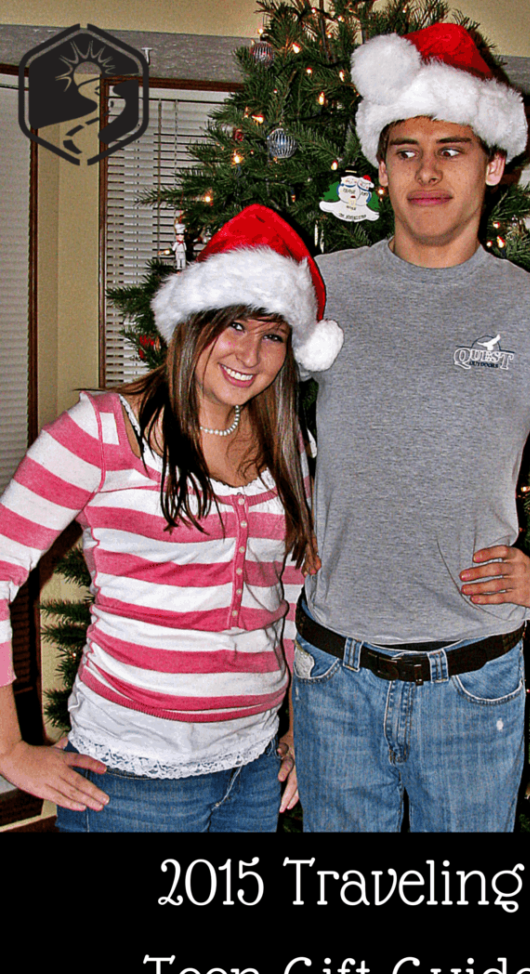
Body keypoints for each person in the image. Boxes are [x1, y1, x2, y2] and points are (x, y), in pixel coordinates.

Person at [292, 24, 530, 832]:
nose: (426, 171)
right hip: (330, 674)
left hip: (471, 685)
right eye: (404, 150)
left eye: (451, 149)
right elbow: (222, 407)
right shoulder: (315, 289)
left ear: (493, 165)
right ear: (379, 165)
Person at [0, 204, 342, 832]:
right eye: (233, 324)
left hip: (254, 767)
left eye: (273, 335)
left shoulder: (288, 442)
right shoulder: (101, 431)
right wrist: (9, 751)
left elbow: (292, 597)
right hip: (130, 779)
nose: (250, 354)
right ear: (192, 322)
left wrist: (300, 728)